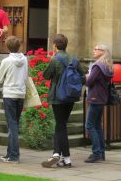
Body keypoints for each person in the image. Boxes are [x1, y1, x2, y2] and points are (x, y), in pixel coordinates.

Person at [41, 34, 85, 168]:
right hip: (70, 97)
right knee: (61, 125)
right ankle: (58, 155)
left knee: (61, 125)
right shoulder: (74, 59)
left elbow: (45, 75)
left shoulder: (55, 60)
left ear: (54, 46)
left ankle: (65, 157)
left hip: (58, 97)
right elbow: (83, 77)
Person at [0, 36, 28, 163]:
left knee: (12, 125)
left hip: (9, 94)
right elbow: (26, 77)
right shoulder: (24, 59)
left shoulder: (6, 61)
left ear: (7, 47)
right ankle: (10, 154)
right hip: (20, 93)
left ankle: (14, 155)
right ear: (19, 46)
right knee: (14, 124)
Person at [84, 44, 113, 163]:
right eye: (94, 48)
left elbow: (89, 82)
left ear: (103, 52)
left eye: (96, 49)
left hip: (95, 98)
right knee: (97, 126)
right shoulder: (107, 65)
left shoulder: (97, 66)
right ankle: (101, 153)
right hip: (102, 98)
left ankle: (96, 153)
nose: (94, 51)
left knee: (89, 125)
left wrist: (86, 76)